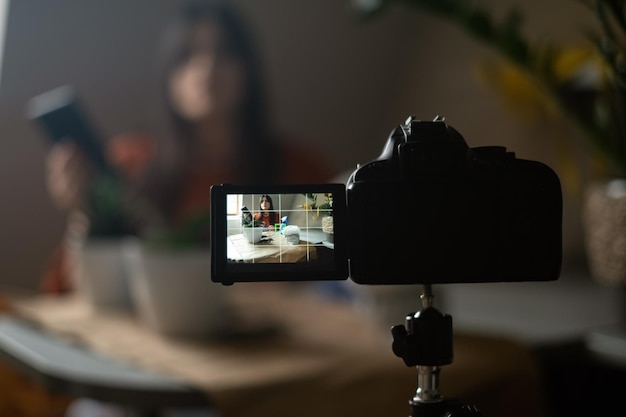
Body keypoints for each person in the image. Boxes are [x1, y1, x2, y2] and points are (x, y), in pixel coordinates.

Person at [41, 0, 335, 293]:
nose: (207, 67)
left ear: (249, 69)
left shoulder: (299, 171)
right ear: (167, 76)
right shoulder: (129, 163)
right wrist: (83, 212)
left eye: (224, 52)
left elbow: (327, 287)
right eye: (186, 56)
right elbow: (65, 293)